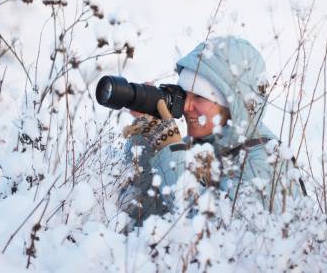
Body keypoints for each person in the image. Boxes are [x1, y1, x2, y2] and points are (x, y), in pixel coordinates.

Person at [117, 36, 303, 228]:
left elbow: (215, 235)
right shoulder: (201, 146)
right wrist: (146, 139)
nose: (187, 107)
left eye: (199, 96)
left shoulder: (266, 164)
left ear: (233, 104)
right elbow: (143, 212)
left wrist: (168, 149)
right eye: (184, 94)